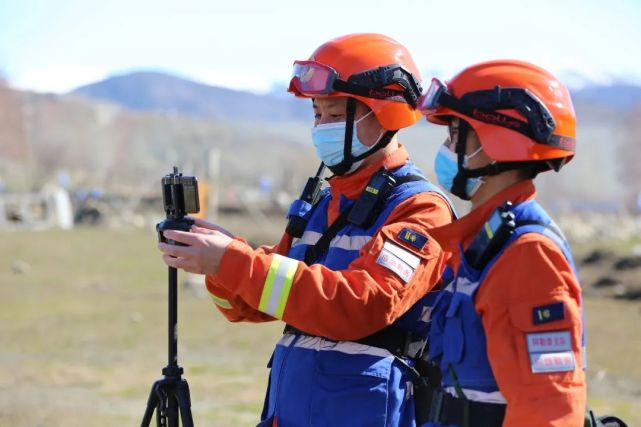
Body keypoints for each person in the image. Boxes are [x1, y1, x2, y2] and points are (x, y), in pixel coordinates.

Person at [158, 33, 455, 426]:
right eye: (317, 115)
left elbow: (360, 306)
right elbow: (250, 304)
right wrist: (217, 257)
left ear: (385, 116)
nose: (321, 127)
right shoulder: (324, 202)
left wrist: (231, 260)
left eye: (334, 116)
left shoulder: (420, 210)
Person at [417, 60, 587, 426]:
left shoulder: (528, 254)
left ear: (499, 141)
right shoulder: (485, 244)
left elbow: (548, 405)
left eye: (455, 135)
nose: (446, 149)